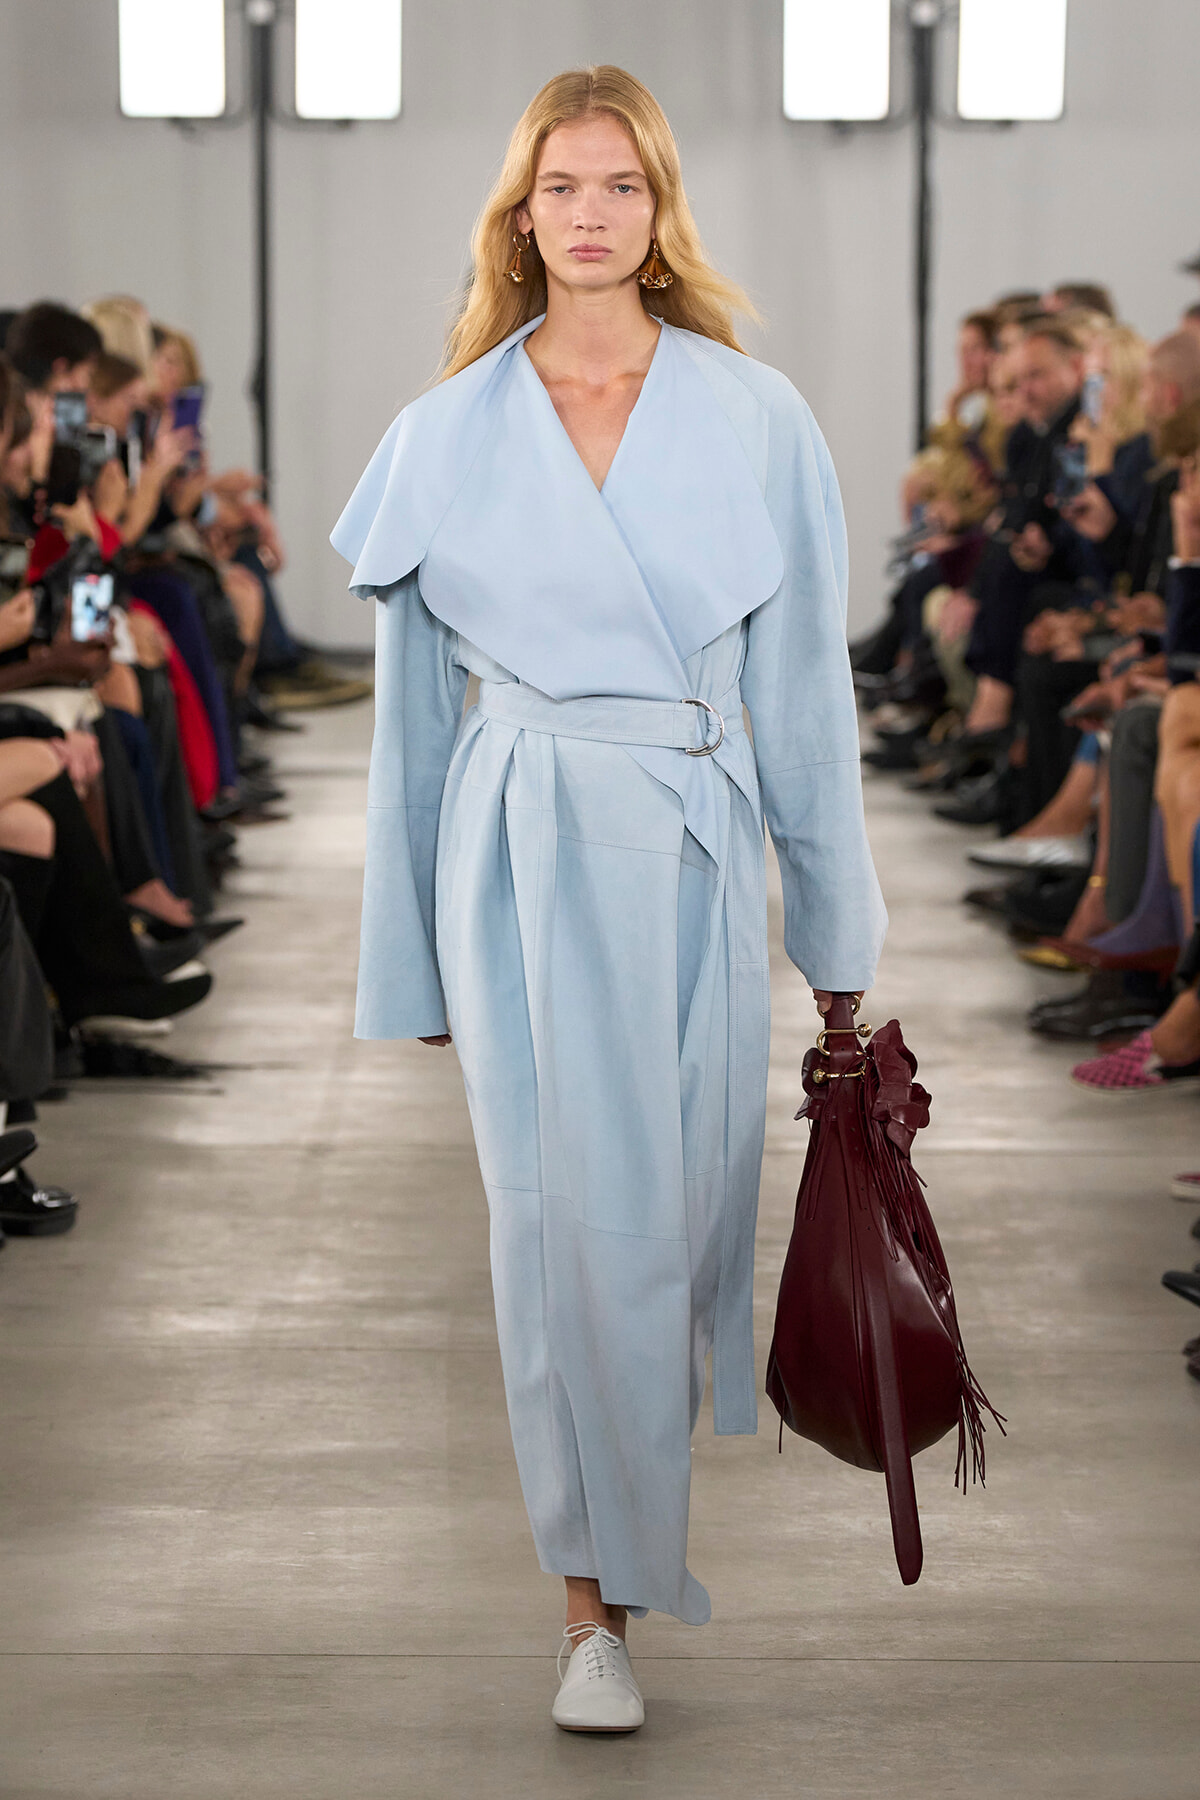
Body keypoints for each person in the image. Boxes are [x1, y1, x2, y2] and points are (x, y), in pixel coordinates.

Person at [332, 65, 885, 1734]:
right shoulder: (444, 434)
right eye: (560, 186)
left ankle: (624, 1571)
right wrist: (407, 956)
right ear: (521, 214)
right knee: (558, 1229)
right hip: (523, 853)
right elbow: (413, 725)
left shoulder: (755, 415)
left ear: (658, 212)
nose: (588, 213)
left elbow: (804, 694)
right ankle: (592, 1609)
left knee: (684, 1220)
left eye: (620, 185)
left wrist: (837, 948)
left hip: (698, 846)